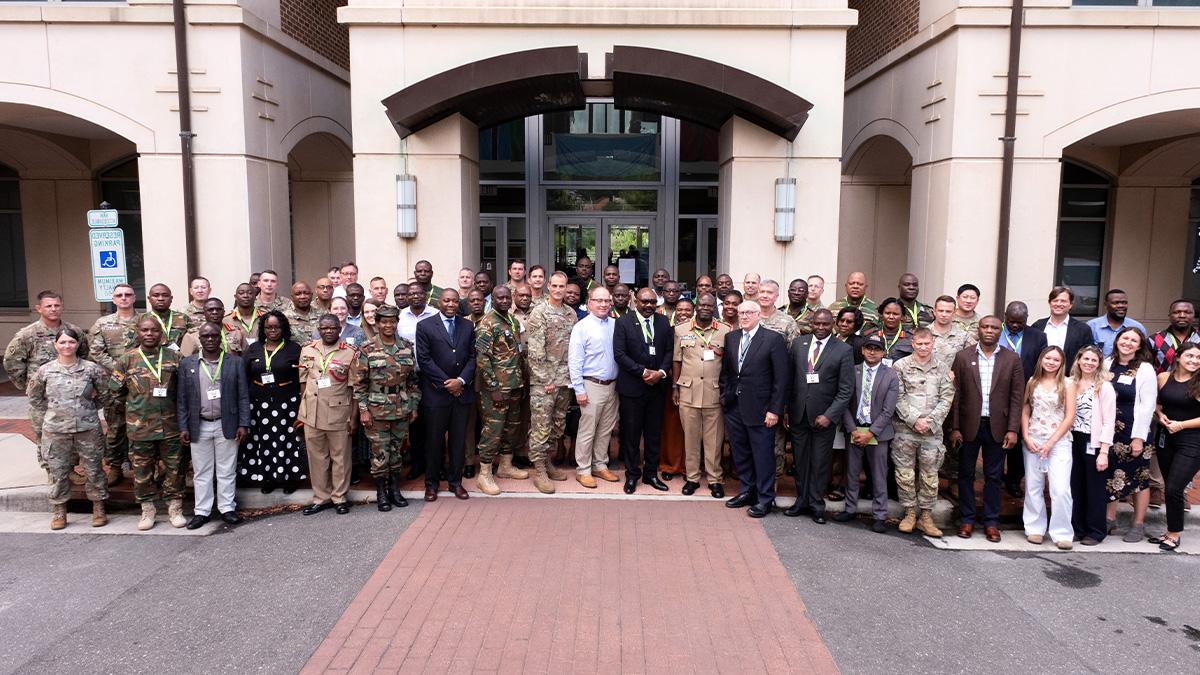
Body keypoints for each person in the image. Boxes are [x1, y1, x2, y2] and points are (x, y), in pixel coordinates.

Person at [950, 316, 1025, 543]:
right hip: (968, 425)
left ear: (999, 331)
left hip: (998, 427)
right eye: (985, 327)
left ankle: (992, 522)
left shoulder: (1012, 359)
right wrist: (954, 427)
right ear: (978, 329)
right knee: (966, 474)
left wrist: (1013, 429)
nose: (989, 331)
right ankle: (967, 519)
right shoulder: (963, 357)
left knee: (993, 476)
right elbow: (956, 395)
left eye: (994, 327)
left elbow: (1016, 397)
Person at [27, 328, 111, 530]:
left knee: (94, 469)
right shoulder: (45, 370)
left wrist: (87, 409)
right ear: (56, 345)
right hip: (56, 430)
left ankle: (98, 508)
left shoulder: (92, 369)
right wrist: (55, 413)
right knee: (58, 472)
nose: (67, 346)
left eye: (71, 342)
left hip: (87, 428)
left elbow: (105, 395)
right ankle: (59, 511)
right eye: (63, 342)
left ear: (78, 345)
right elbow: (35, 398)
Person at [111, 317, 185, 530]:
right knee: (142, 471)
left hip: (170, 426)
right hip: (140, 427)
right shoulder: (127, 360)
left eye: (154, 330)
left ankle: (175, 508)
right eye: (145, 330)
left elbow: (183, 390)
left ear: (161, 334)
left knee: (175, 469)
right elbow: (116, 391)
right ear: (138, 333)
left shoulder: (174, 357)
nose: (150, 334)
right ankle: (147, 510)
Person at [5, 290, 91, 469]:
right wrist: (28, 385)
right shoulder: (27, 335)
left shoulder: (73, 331)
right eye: (49, 306)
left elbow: (84, 356)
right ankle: (52, 472)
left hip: (71, 396)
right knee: (44, 435)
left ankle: (70, 470)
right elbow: (12, 362)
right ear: (39, 308)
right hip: (44, 399)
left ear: (62, 307)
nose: (53, 309)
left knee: (71, 434)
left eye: (57, 305)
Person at [784, 309, 855, 523]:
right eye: (817, 324)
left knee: (820, 463)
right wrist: (787, 409)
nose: (821, 328)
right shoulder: (798, 344)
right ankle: (801, 501)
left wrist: (830, 415)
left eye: (826, 324)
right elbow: (790, 379)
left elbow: (846, 389)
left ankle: (816, 504)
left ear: (832, 324)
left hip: (823, 418)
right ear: (811, 324)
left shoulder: (843, 350)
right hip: (798, 414)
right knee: (801, 461)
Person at [177, 322, 250, 528]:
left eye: (214, 335)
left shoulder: (234, 362)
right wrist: (183, 426)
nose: (210, 339)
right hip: (198, 425)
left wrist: (243, 423)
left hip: (226, 423)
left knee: (227, 470)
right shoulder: (188, 364)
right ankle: (202, 512)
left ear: (221, 338)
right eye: (206, 336)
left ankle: (227, 508)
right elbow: (182, 399)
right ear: (199, 339)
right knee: (202, 472)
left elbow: (243, 395)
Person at [721, 301, 788, 518]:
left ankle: (765, 498)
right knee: (740, 454)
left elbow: (781, 379)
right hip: (734, 407)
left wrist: (774, 410)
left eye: (749, 312)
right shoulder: (731, 337)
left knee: (763, 456)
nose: (744, 316)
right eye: (741, 313)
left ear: (759, 315)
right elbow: (727, 373)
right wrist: (725, 396)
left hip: (761, 410)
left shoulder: (773, 339)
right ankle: (747, 491)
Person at [353, 304, 421, 510]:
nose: (389, 325)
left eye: (392, 321)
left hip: (401, 408)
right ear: (377, 323)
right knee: (379, 453)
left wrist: (414, 406)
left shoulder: (407, 347)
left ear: (397, 323)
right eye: (384, 321)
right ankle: (381, 492)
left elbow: (413, 383)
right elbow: (359, 384)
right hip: (376, 409)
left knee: (397, 452)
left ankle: (395, 489)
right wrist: (363, 410)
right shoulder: (367, 349)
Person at [889, 328, 954, 536]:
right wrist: (914, 420)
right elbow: (897, 397)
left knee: (930, 474)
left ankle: (926, 516)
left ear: (932, 343)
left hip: (932, 432)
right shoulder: (900, 366)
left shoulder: (942, 368)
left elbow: (947, 398)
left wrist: (930, 421)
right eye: (919, 344)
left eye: (927, 344)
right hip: (905, 429)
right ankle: (909, 513)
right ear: (913, 343)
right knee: (905, 473)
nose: (923, 347)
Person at [415, 289, 475, 500]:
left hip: (461, 393)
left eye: (455, 301)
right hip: (435, 394)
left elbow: (472, 357)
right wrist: (446, 383)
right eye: (447, 300)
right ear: (438, 302)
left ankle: (455, 482)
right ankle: (431, 484)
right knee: (433, 441)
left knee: (458, 441)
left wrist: (460, 381)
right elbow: (424, 359)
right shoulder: (424, 326)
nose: (451, 304)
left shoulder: (468, 326)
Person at [613, 288, 673, 494]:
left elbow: (668, 351)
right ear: (635, 301)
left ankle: (650, 474)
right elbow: (620, 354)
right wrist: (644, 372)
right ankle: (632, 476)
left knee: (653, 434)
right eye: (644, 301)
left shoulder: (664, 322)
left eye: (652, 302)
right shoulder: (623, 322)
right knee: (631, 434)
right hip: (633, 388)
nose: (648, 305)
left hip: (657, 388)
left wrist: (662, 372)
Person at [240, 311, 307, 494]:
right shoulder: (254, 349)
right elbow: (245, 375)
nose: (273, 330)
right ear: (263, 329)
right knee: (264, 442)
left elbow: (301, 377)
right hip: (259, 404)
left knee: (288, 441)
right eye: (268, 327)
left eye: (277, 327)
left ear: (283, 328)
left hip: (287, 402)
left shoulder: (294, 348)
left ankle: (290, 478)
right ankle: (268, 478)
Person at [297, 315, 358, 516]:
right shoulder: (307, 349)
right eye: (324, 328)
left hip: (338, 413)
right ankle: (321, 498)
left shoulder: (350, 353)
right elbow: (303, 381)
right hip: (311, 413)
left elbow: (354, 389)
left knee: (340, 458)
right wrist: (302, 409)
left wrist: (354, 417)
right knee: (317, 458)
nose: (328, 331)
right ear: (319, 329)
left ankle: (339, 497)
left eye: (332, 328)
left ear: (339, 330)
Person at [835, 334, 897, 533]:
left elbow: (889, 409)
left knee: (879, 475)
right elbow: (843, 401)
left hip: (877, 433)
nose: (872, 351)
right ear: (862, 350)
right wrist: (852, 429)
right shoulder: (851, 371)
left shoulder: (891, 375)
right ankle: (850, 508)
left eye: (877, 348)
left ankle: (879, 515)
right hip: (854, 429)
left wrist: (871, 432)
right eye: (868, 348)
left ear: (883, 352)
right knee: (851, 473)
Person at [1103, 326, 1157, 542]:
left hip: (1134, 431)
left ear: (1139, 345)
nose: (1128, 343)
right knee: (1112, 476)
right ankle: (1109, 519)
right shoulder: (1107, 363)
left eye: (1133, 340)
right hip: (1110, 431)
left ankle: (1138, 524)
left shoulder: (1145, 369)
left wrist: (1138, 438)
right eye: (1125, 338)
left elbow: (1147, 405)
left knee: (1139, 478)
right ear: (1117, 340)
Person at [473, 286, 529, 495]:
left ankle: (505, 466)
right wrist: (494, 387)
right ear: (493, 300)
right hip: (496, 389)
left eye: (507, 297)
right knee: (493, 430)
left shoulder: (512, 320)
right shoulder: (487, 323)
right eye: (500, 298)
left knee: (512, 428)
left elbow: (517, 352)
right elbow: (482, 359)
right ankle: (485, 474)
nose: (504, 301)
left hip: (514, 386)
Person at [673, 293, 730, 498]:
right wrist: (675, 387)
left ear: (714, 307)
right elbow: (677, 361)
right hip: (688, 391)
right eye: (702, 304)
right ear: (696, 306)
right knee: (691, 438)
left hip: (714, 393)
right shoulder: (681, 330)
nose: (705, 308)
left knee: (714, 441)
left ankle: (715, 479)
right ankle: (692, 478)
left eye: (710, 305)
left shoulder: (725, 331)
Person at [1020, 346, 1077, 549]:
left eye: (1056, 360)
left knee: (1060, 489)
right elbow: (1026, 409)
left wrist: (1051, 442)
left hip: (1059, 442)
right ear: (1041, 360)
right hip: (1034, 440)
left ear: (1062, 363)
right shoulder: (1032, 381)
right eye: (1048, 358)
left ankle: (1062, 532)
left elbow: (1070, 416)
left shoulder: (1068, 383)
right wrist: (1026, 436)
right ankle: (1034, 528)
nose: (1051, 362)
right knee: (1034, 486)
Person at [525, 272, 577, 494]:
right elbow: (534, 351)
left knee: (557, 426)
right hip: (544, 382)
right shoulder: (539, 313)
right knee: (540, 426)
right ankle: (539, 470)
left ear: (566, 288)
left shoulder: (570, 313)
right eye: (554, 285)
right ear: (548, 286)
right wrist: (545, 379)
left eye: (562, 286)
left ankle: (547, 461)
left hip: (564, 380)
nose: (558, 290)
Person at [567, 286, 621, 488]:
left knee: (606, 430)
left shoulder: (616, 325)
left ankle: (600, 465)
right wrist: (579, 390)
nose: (603, 304)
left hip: (612, 386)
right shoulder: (582, 327)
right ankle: (583, 469)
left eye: (606, 301)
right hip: (591, 385)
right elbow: (574, 361)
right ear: (589, 303)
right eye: (598, 300)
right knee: (587, 430)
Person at [88, 283, 139, 484]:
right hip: (114, 384)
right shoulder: (103, 323)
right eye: (120, 295)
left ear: (134, 298)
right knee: (116, 426)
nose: (124, 298)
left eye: (128, 294)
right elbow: (96, 352)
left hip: (139, 382)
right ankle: (115, 466)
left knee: (140, 426)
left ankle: (140, 467)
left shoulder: (144, 320)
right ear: (113, 299)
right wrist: (119, 368)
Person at [1152, 342, 1200, 552]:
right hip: (1165, 438)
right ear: (1178, 357)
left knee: (1174, 487)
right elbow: (1157, 404)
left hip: (1192, 440)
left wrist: (1181, 425)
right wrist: (1160, 416)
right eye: (1190, 356)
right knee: (1170, 488)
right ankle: (1170, 530)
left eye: (1198, 358)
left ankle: (1175, 534)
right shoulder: (1164, 378)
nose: (1194, 361)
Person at [1000, 300, 1049, 497]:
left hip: (1025, 394)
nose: (1015, 325)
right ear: (1005, 317)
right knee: (996, 437)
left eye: (1020, 322)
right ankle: (995, 479)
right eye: (1011, 321)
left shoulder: (1038, 336)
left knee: (1018, 436)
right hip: (996, 393)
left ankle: (1013, 480)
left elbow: (1041, 366)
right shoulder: (995, 332)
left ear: (1026, 320)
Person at [1069, 345, 1115, 546]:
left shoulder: (1104, 387)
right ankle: (1077, 529)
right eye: (1085, 359)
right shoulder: (1070, 383)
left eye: (1094, 360)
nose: (1089, 363)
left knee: (1094, 488)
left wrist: (1103, 452)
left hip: (1093, 442)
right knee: (1075, 486)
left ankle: (1096, 531)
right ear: (1079, 360)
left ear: (1099, 364)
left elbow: (1108, 421)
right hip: (1072, 440)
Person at [1032, 286, 1094, 369]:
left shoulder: (1082, 329)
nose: (1058, 304)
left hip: (1070, 378)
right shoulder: (1038, 326)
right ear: (1050, 303)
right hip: (1041, 377)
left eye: (1063, 301)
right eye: (1055, 300)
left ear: (1070, 305)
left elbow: (1087, 356)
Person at [1088, 289, 1147, 357]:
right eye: (1116, 303)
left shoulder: (1138, 327)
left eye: (1124, 303)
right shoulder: (1092, 326)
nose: (1121, 306)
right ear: (1105, 305)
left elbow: (1143, 354)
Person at [1151, 299, 1199, 373]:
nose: (1182, 316)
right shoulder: (1154, 340)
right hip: (1163, 383)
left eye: (1187, 312)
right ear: (1169, 316)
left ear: (1194, 316)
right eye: (1176, 312)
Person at [929, 295, 974, 369]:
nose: (944, 314)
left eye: (948, 311)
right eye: (940, 311)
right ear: (934, 311)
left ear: (954, 312)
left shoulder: (964, 336)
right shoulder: (924, 334)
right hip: (928, 379)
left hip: (953, 379)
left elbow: (971, 360)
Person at [863, 298, 912, 365]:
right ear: (881, 315)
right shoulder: (870, 335)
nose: (891, 317)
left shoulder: (911, 337)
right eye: (887, 313)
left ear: (902, 317)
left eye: (895, 314)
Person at [224, 283, 261, 352]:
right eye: (241, 293)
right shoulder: (225, 320)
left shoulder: (265, 318)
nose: (245, 296)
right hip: (236, 360)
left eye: (250, 293)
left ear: (255, 297)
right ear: (235, 297)